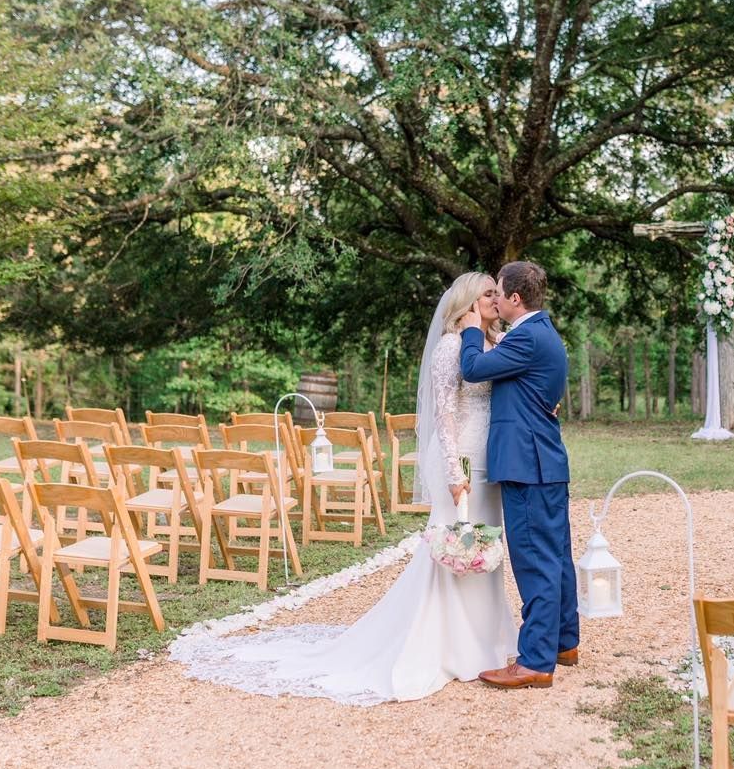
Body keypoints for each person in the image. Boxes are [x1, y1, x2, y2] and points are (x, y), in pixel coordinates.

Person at [171, 272, 515, 704]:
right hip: (462, 458)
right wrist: (452, 470)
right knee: (454, 547)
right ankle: (450, 645)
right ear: (467, 302)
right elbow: (444, 415)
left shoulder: (496, 343)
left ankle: (486, 639)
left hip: (491, 459)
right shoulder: (450, 347)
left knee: (486, 546)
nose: (496, 298)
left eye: (497, 293)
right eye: (488, 293)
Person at [459, 260, 576, 690]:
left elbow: (472, 368)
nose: (493, 298)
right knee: (556, 556)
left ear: (514, 298)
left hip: (529, 466)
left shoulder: (526, 336)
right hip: (543, 462)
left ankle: (535, 661)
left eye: (499, 291)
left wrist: (472, 327)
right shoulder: (541, 333)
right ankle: (564, 642)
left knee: (534, 559)